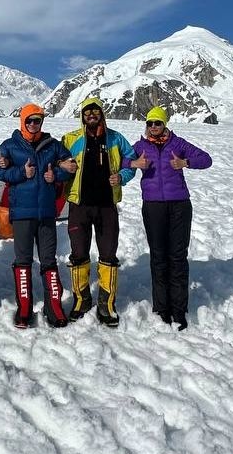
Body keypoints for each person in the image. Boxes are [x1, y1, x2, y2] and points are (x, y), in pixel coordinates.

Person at [125, 106, 212, 330]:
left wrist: (185, 163)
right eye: (150, 123)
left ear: (165, 124)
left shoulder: (178, 143)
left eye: (158, 123)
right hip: (153, 206)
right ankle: (161, 309)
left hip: (179, 205)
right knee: (158, 256)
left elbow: (206, 159)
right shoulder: (140, 147)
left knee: (178, 257)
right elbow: (117, 160)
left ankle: (179, 310)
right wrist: (134, 163)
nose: (153, 127)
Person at [0, 104, 76, 329]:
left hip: (46, 212)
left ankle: (54, 307)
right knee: (23, 260)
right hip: (22, 213)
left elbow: (71, 166)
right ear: (22, 121)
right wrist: (20, 172)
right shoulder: (10, 145)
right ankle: (24, 307)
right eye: (29, 120)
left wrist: (56, 175)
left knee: (49, 260)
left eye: (37, 120)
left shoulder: (52, 145)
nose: (33, 124)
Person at [62, 96, 138, 327]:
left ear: (101, 113)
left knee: (108, 254)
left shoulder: (115, 138)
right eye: (87, 112)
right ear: (82, 115)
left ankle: (106, 304)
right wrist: (62, 166)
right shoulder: (71, 138)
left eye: (95, 111)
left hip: (107, 206)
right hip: (79, 205)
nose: (91, 115)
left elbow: (131, 160)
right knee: (78, 253)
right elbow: (56, 160)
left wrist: (122, 176)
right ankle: (81, 300)